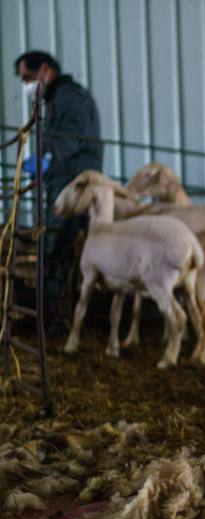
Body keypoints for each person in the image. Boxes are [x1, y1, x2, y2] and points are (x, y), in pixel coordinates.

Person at [14, 51, 102, 334]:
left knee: (58, 246)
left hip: (71, 188)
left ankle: (58, 320)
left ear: (45, 71)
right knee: (56, 246)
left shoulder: (69, 97)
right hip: (61, 183)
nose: (26, 85)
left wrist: (48, 158)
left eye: (28, 78)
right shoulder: (56, 99)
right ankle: (53, 317)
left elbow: (73, 136)